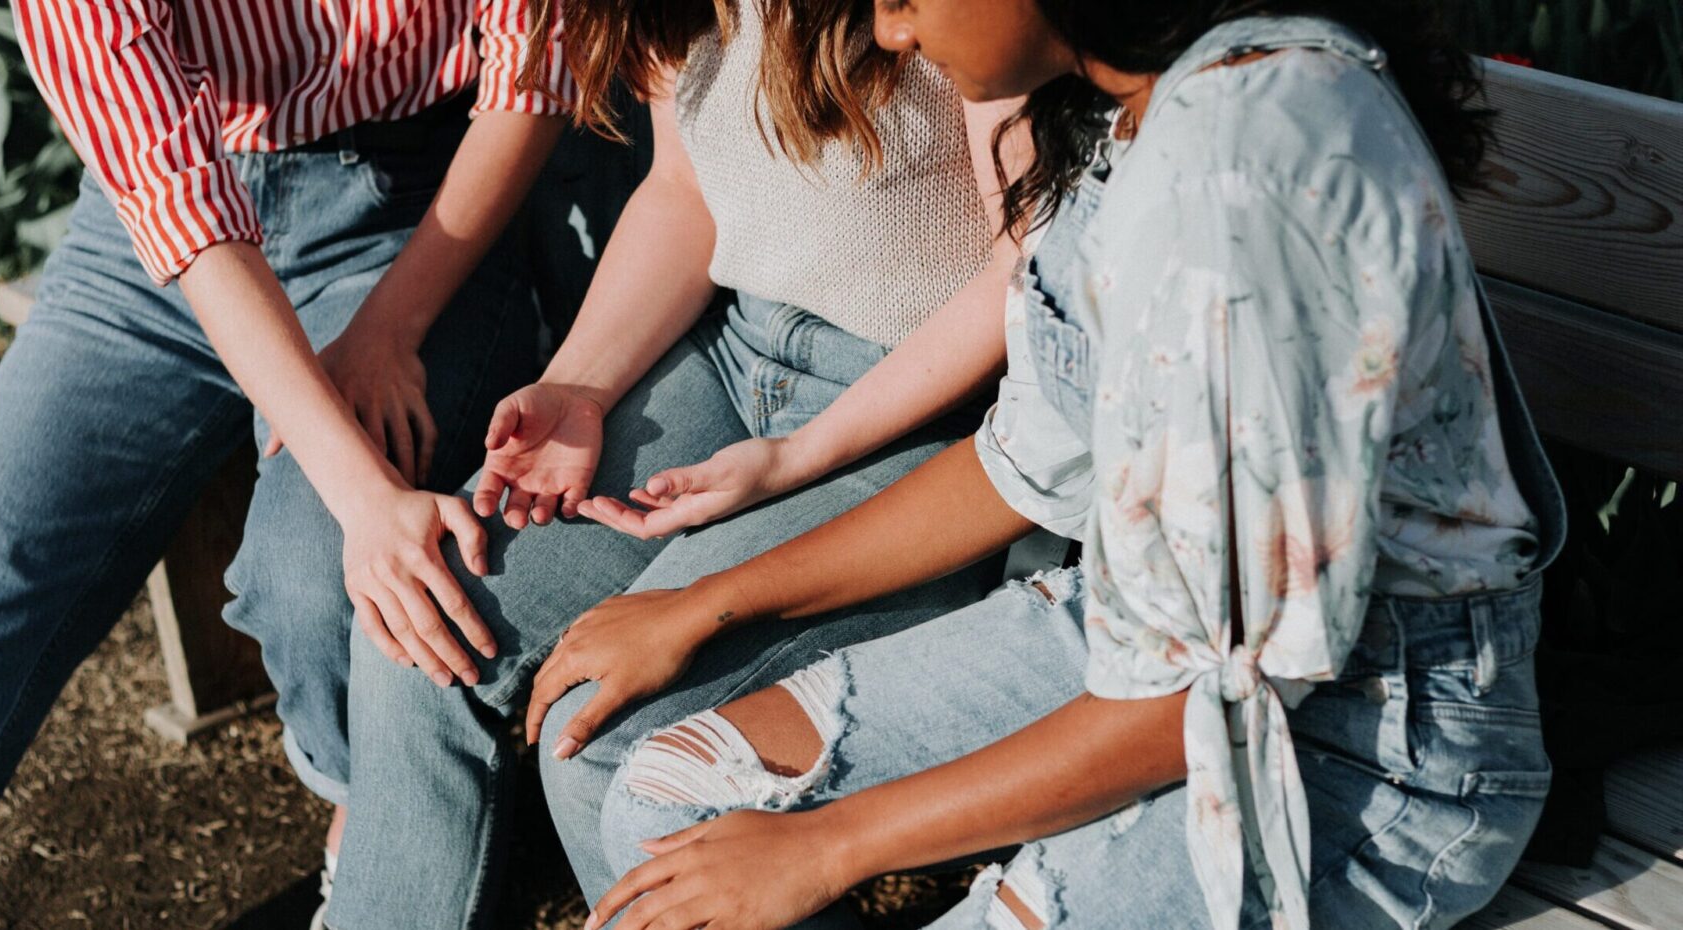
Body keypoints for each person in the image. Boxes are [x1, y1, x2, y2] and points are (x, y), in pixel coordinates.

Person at [540, 1, 1570, 929]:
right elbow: (1018, 462)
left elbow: (1198, 703)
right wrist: (706, 604)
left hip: (1363, 750)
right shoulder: (1108, 115)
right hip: (1125, 635)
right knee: (663, 794)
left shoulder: (1242, 174)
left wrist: (825, 848)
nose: (892, 35)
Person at [0, 3, 573, 928]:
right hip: (148, 239)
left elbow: (536, 68)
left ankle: (372, 814)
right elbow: (182, 211)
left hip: (409, 216)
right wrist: (363, 492)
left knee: (314, 580)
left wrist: (392, 329)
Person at [217, 0, 1063, 924]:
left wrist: (791, 457)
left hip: (918, 414)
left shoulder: (938, 19)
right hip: (734, 354)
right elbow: (683, 193)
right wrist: (579, 385)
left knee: (604, 728)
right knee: (423, 630)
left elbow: (1019, 278)